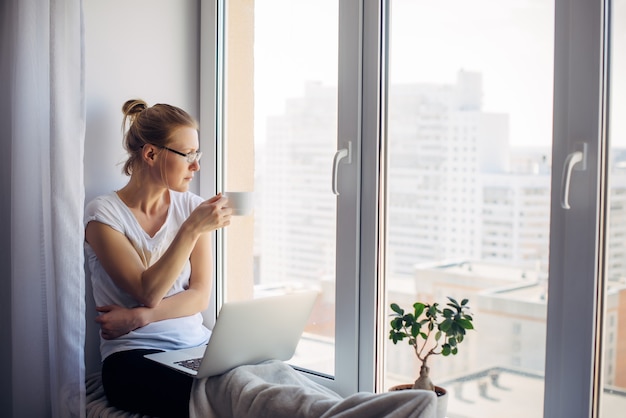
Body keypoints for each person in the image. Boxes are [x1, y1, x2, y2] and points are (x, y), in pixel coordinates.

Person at [84, 99, 232, 417]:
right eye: (188, 155)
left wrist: (139, 318)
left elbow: (199, 296)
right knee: (215, 397)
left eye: (198, 155)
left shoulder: (192, 206)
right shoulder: (103, 215)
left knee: (254, 382)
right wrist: (191, 229)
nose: (196, 166)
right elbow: (147, 292)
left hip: (196, 345)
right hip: (132, 356)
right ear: (151, 154)